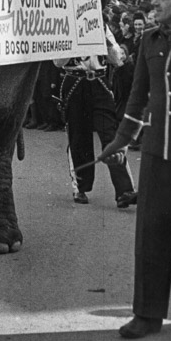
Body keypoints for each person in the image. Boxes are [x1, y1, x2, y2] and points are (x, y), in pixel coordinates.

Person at [99, 0, 171, 339]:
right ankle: (147, 315)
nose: (153, 4)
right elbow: (137, 97)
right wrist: (120, 141)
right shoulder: (148, 41)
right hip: (158, 154)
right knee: (151, 237)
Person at [54, 25, 137, 208]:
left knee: (110, 135)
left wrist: (105, 41)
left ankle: (124, 190)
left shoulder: (102, 25)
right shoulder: (65, 24)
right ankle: (80, 186)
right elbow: (58, 61)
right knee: (78, 136)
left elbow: (117, 60)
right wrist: (75, 40)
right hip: (75, 80)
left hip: (99, 81)